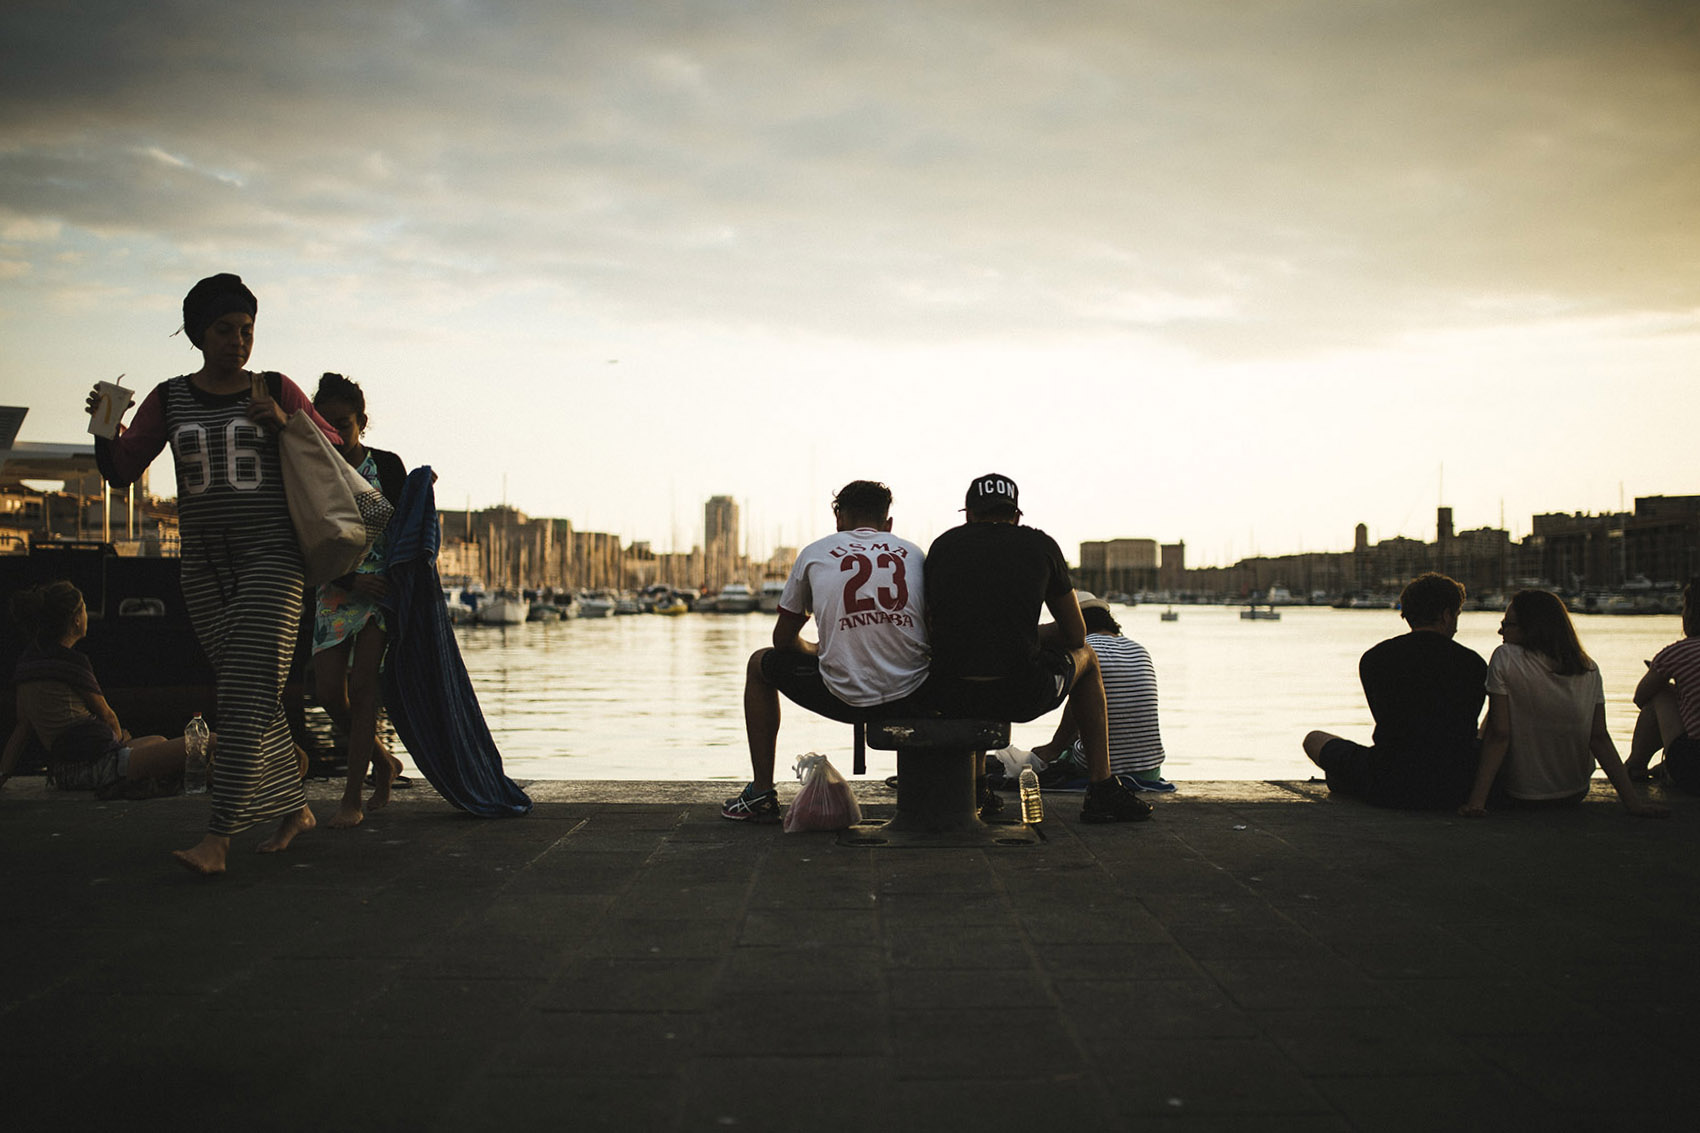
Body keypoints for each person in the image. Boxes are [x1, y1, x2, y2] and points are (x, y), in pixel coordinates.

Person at [89, 273, 342, 874]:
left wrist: (283, 421)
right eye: (226, 330)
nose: (238, 342)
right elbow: (122, 470)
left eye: (247, 331)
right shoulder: (170, 397)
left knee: (243, 693)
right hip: (202, 565)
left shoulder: (277, 389)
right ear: (199, 334)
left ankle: (217, 838)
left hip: (273, 559)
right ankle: (293, 809)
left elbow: (340, 452)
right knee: (251, 688)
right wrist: (103, 423)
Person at [920, 474, 1150, 823]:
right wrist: (1024, 635)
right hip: (1019, 692)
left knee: (975, 659)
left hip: (950, 694)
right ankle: (1102, 787)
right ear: (1016, 516)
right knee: (1087, 658)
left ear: (967, 514)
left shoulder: (942, 546)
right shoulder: (1040, 546)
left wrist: (995, 635)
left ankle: (979, 786)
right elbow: (1076, 634)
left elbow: (932, 627)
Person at [722, 480, 929, 822]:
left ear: (839, 522)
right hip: (911, 696)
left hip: (841, 696)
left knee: (759, 665)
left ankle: (761, 792)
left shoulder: (816, 553)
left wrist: (816, 649)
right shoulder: (914, 553)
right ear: (887, 524)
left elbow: (782, 640)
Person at [1460, 590, 1666, 817]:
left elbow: (1500, 734)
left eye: (1507, 624)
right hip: (1574, 792)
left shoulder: (1505, 657)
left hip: (1519, 795)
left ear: (1531, 628)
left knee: (1479, 735)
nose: (1500, 630)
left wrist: (1476, 803)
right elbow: (1599, 738)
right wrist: (1634, 804)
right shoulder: (1588, 667)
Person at [308, 374, 408, 829]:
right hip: (336, 586)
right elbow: (309, 538)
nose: (335, 435)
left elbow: (408, 530)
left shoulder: (386, 467)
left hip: (378, 591)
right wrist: (350, 580)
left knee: (365, 687)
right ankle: (383, 762)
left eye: (343, 424)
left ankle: (353, 797)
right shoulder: (314, 472)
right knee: (330, 692)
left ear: (362, 422)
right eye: (325, 426)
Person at [1302, 572, 1486, 809]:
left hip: (1390, 781)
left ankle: (1344, 778)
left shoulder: (1374, 659)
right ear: (1446, 615)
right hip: (1454, 784)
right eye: (1457, 616)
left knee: (1314, 739)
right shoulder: (1474, 664)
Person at [1, 581, 192, 792]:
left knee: (159, 740)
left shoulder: (28, 664)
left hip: (65, 773)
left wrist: (3, 774)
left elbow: (22, 727)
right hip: (99, 766)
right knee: (205, 742)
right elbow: (107, 716)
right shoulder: (72, 663)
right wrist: (118, 744)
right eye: (83, 609)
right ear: (75, 620)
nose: (86, 615)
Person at [1029, 591, 1172, 792]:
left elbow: (1078, 712)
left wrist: (1052, 749)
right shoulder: (1140, 650)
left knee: (1060, 753)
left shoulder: (1085, 651)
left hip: (1098, 769)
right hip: (1149, 770)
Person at [1626, 578, 1700, 792]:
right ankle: (1665, 766)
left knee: (1660, 693)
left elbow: (1640, 697)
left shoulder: (1677, 653)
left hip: (1693, 768)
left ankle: (1635, 766)